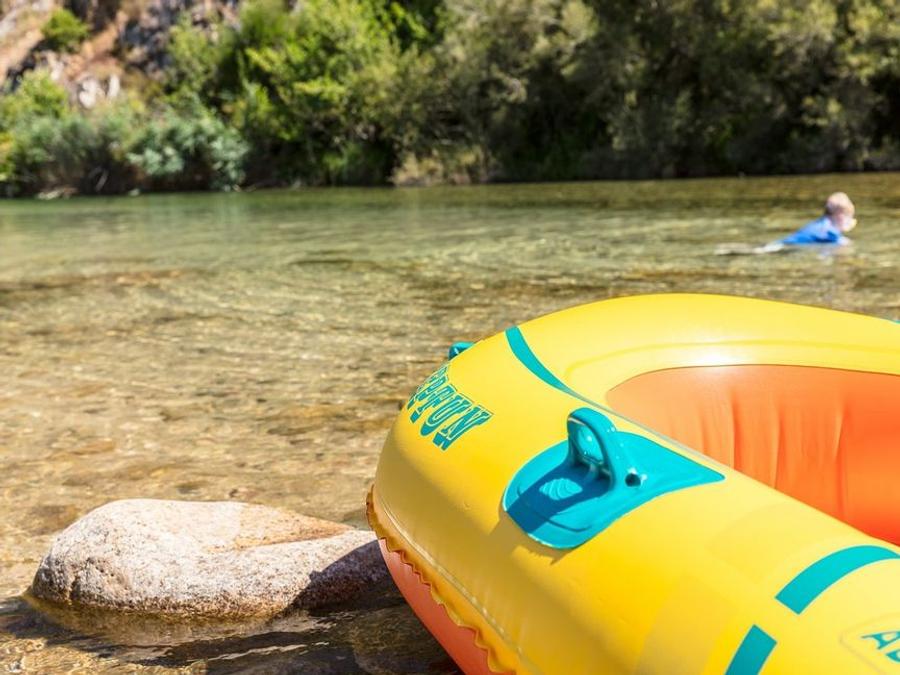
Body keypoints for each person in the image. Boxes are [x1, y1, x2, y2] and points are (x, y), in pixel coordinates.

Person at [778, 192, 857, 246]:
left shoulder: (822, 222)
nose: (850, 222)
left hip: (783, 243)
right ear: (840, 216)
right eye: (849, 218)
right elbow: (837, 240)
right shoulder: (829, 230)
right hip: (785, 246)